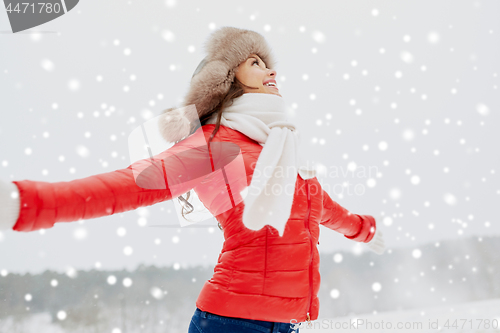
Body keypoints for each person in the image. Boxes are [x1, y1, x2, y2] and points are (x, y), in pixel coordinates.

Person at [0, 26, 386, 333]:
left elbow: (324, 210)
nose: (271, 70)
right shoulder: (219, 144)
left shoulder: (286, 148)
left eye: (269, 63)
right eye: (255, 62)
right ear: (227, 79)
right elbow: (131, 184)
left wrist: (365, 230)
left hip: (289, 323)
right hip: (231, 323)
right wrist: (28, 202)